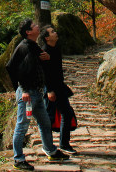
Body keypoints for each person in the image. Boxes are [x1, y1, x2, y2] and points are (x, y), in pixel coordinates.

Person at [6, 19, 70, 171]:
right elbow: (12, 68)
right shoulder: (25, 47)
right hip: (28, 94)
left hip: (37, 93)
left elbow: (37, 65)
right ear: (28, 32)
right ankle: (18, 159)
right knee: (22, 126)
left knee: (45, 122)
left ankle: (51, 150)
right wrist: (22, 90)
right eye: (34, 26)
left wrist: (46, 58)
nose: (37, 26)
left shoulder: (33, 46)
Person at [39, 25, 77, 155]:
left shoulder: (56, 48)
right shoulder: (44, 51)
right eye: (52, 32)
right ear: (47, 37)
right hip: (51, 89)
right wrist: (49, 90)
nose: (56, 33)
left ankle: (64, 144)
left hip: (59, 86)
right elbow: (45, 73)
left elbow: (56, 67)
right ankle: (48, 146)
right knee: (49, 118)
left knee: (66, 113)